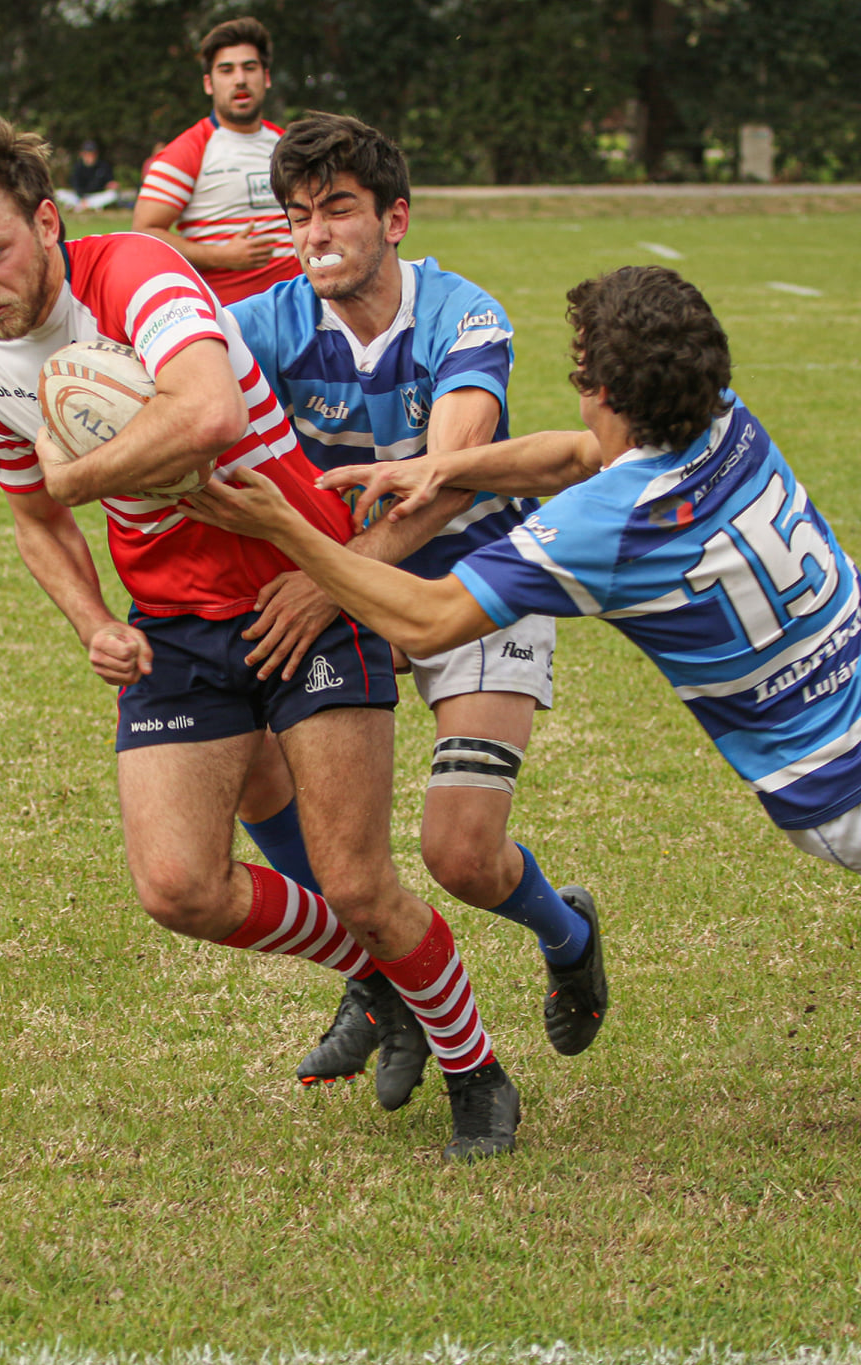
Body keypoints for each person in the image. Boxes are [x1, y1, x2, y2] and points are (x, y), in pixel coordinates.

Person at [186, 264, 861, 1145]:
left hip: (817, 799)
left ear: (608, 395)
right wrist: (392, 486)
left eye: (579, 379)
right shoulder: (725, 417)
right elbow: (507, 532)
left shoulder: (600, 521)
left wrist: (347, 507)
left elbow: (487, 557)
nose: (574, 401)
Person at [0, 117, 523, 1161]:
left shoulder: (139, 271)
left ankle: (477, 1071)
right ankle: (380, 975)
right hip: (174, 628)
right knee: (178, 888)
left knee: (362, 881)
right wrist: (93, 619)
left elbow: (201, 414)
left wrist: (71, 470)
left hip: (302, 587)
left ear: (47, 223)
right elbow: (34, 516)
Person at [219, 114, 604, 1100]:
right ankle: (376, 974)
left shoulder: (462, 316)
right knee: (251, 764)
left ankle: (567, 934)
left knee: (459, 855)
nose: (316, 233)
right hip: (344, 582)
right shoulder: (261, 324)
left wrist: (329, 578)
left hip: (474, 582)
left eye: (338, 210)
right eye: (298, 215)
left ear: (393, 218)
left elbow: (449, 480)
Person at [131, 16, 299, 305]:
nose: (240, 79)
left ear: (266, 77)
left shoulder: (291, 145)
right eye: (226, 70)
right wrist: (221, 256)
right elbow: (144, 234)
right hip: (231, 319)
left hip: (304, 313)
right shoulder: (186, 152)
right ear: (209, 84)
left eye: (250, 67)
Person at [56, 141, 120, 212]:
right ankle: (89, 206)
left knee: (112, 195)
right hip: (80, 196)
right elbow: (76, 185)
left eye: (92, 154)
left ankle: (82, 206)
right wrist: (82, 198)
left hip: (96, 196)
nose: (90, 157)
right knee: (59, 193)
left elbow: (108, 183)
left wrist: (111, 185)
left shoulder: (103, 166)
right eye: (87, 154)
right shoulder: (78, 167)